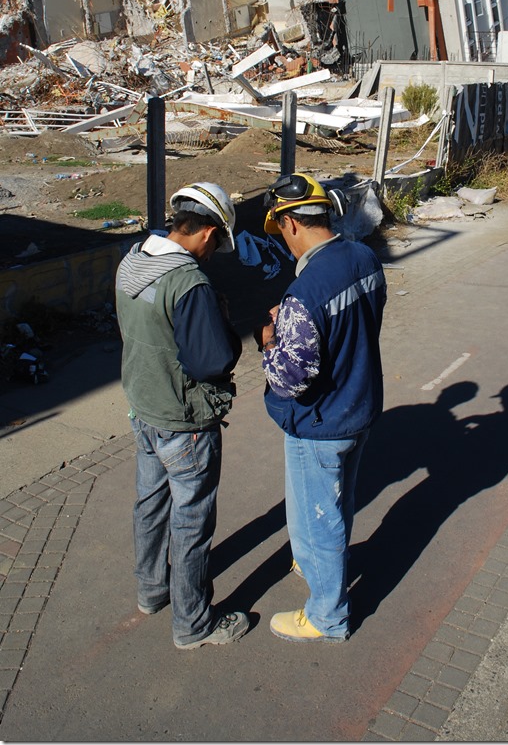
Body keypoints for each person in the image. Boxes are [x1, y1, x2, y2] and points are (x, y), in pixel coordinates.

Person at [115, 181, 250, 650]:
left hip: (144, 407)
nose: (215, 252)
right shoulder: (189, 283)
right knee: (191, 522)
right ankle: (193, 623)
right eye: (219, 243)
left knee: (149, 504)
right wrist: (227, 324)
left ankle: (152, 591)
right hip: (183, 423)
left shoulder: (132, 261)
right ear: (209, 233)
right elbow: (211, 360)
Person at [255, 172, 386, 642]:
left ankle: (327, 615)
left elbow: (290, 378)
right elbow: (357, 325)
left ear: (290, 223)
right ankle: (317, 562)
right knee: (338, 504)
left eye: (281, 232)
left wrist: (271, 340)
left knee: (318, 515)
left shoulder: (305, 291)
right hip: (359, 405)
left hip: (320, 422)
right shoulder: (364, 256)